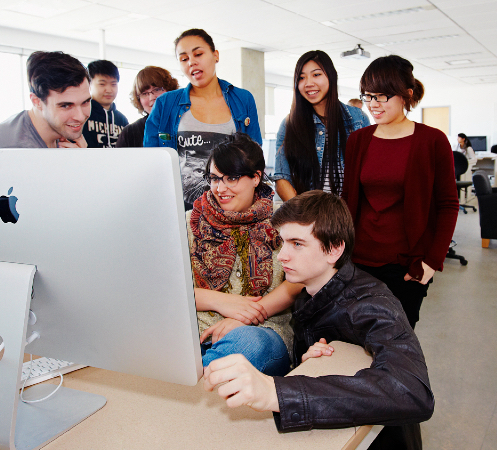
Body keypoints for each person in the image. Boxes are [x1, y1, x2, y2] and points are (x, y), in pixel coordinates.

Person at [202, 191, 434, 449]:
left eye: (297, 244)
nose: (282, 256)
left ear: (334, 249)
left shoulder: (372, 303)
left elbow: (412, 391)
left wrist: (275, 392)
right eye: (282, 243)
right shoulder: (309, 291)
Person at [342, 55, 460, 329]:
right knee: (355, 338)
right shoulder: (359, 140)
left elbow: (448, 205)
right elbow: (348, 200)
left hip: (408, 265)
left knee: (396, 344)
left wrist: (432, 263)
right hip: (359, 261)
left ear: (406, 95)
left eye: (382, 96)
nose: (373, 104)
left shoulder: (432, 141)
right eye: (368, 95)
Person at [190, 133, 302, 376]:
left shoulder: (285, 220)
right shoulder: (191, 220)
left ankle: (197, 376)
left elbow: (299, 282)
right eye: (214, 178)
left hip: (264, 329)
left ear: (256, 177)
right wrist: (220, 300)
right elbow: (166, 290)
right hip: (195, 330)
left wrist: (246, 317)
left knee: (251, 346)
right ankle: (203, 372)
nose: (220, 189)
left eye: (231, 178)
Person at [144, 28, 262, 210]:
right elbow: (151, 159)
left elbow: (254, 155)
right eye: (184, 59)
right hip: (181, 207)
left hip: (230, 207)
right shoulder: (165, 104)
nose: (192, 62)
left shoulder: (243, 99)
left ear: (215, 55)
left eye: (198, 54)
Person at [273, 51, 370, 201]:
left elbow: (367, 175)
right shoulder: (290, 124)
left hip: (350, 217)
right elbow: (281, 177)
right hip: (308, 217)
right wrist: (306, 216)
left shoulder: (358, 119)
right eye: (301, 77)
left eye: (316, 74)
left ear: (331, 76)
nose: (308, 83)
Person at [0, 51, 90, 149]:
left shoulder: (65, 133)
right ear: (36, 101)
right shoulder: (11, 148)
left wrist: (79, 160)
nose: (79, 117)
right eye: (65, 106)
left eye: (85, 102)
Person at [116, 66, 179, 148]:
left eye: (157, 90)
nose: (152, 98)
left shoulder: (185, 123)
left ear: (170, 90)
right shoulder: (130, 132)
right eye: (144, 94)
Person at [83, 60, 129, 148]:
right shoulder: (83, 115)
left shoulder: (122, 120)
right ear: (89, 84)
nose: (109, 90)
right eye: (102, 84)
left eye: (113, 84)